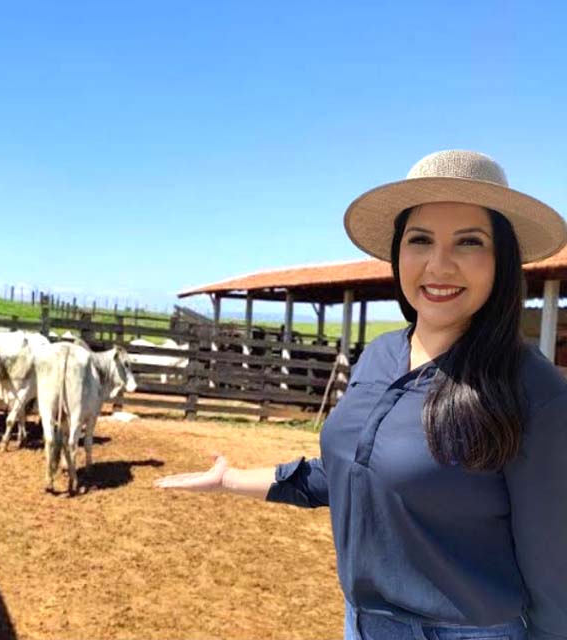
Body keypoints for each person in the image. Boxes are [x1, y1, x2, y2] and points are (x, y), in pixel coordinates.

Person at [155, 150, 567, 640]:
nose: (439, 264)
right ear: (398, 253)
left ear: (500, 260)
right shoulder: (379, 355)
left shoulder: (533, 391)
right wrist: (230, 480)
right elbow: (351, 472)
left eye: (469, 242)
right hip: (362, 623)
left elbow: (553, 567)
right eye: (420, 240)